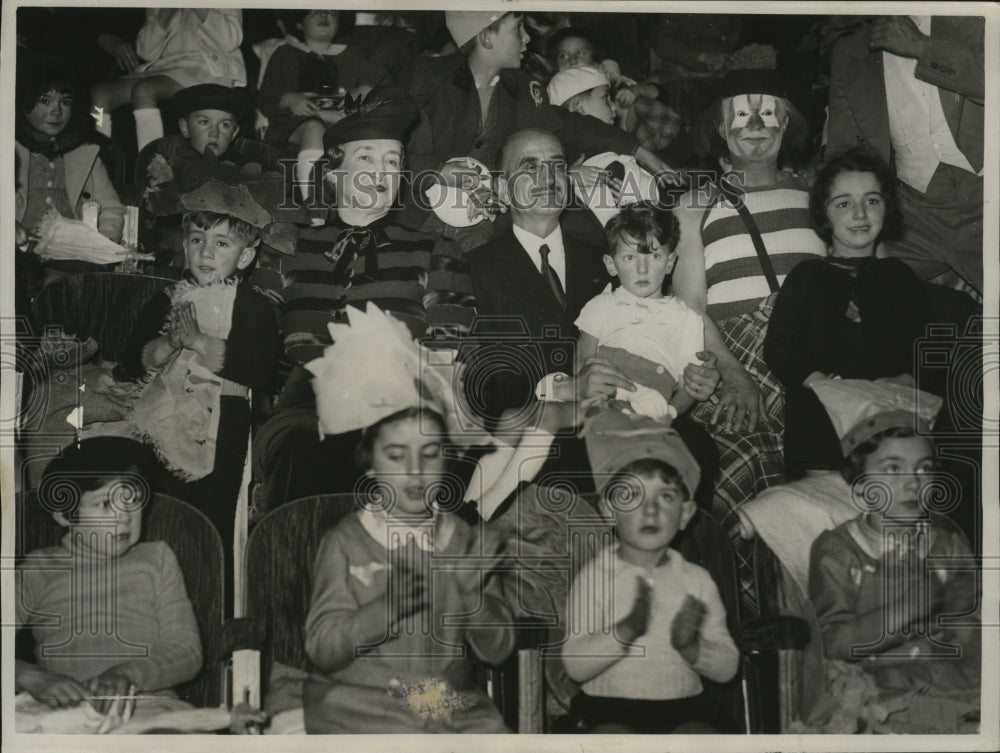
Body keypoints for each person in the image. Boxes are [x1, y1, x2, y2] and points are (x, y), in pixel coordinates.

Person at [255, 91, 477, 513]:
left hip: (402, 403)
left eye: (393, 162)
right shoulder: (288, 247)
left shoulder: (436, 250)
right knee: (306, 441)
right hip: (306, 405)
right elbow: (256, 340)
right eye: (367, 159)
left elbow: (446, 353)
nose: (383, 172)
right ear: (333, 173)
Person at [301, 304, 513, 733]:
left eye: (430, 456)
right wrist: (386, 609)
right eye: (397, 457)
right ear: (370, 464)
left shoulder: (463, 540)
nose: (416, 472)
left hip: (439, 701)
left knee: (489, 733)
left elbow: (498, 649)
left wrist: (472, 598)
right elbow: (322, 648)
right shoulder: (346, 543)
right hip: (363, 700)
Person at [672, 69, 826, 523]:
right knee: (746, 483)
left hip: (815, 365)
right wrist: (736, 376)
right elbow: (689, 308)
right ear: (720, 129)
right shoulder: (694, 205)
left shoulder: (820, 194)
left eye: (768, 112)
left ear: (789, 122)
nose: (756, 124)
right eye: (741, 113)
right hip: (733, 361)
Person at [399, 10, 674, 250]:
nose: (527, 38)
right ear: (486, 38)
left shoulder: (520, 88)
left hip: (488, 231)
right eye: (518, 27)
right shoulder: (427, 78)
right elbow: (381, 140)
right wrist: (435, 171)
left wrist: (638, 151)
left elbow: (567, 124)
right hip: (416, 222)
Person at [119, 183, 278, 571]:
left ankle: (206, 578)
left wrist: (199, 342)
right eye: (196, 239)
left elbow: (258, 370)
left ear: (246, 257)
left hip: (223, 414)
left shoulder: (252, 304)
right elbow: (131, 364)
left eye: (222, 243)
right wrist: (169, 343)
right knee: (157, 503)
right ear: (185, 245)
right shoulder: (168, 297)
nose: (206, 252)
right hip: (161, 411)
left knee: (206, 516)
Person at [807, 378, 980, 733]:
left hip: (949, 679)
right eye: (892, 469)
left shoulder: (945, 538)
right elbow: (831, 644)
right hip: (877, 687)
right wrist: (905, 611)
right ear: (859, 484)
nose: (913, 483)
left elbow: (972, 621)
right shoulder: (837, 550)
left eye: (924, 468)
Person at [562, 410, 739, 733]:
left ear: (685, 514)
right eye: (632, 495)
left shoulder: (696, 582)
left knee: (700, 738)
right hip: (608, 711)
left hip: (685, 710)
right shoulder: (594, 578)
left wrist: (691, 647)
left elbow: (728, 667)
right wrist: (625, 631)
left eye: (666, 496)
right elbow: (575, 666)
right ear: (608, 511)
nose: (651, 509)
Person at [764, 148, 933, 477]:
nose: (859, 214)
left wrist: (906, 379)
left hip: (891, 418)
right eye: (843, 203)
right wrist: (822, 385)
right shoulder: (806, 276)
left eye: (872, 201)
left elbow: (931, 350)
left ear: (886, 208)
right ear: (824, 215)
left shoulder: (900, 277)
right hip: (821, 421)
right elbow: (779, 348)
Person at [15, 438, 202, 730]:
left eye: (133, 500)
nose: (124, 517)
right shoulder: (40, 569)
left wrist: (129, 673)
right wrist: (29, 676)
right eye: (104, 503)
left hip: (149, 706)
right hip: (65, 710)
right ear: (65, 514)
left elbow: (187, 650)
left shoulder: (156, 558)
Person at [574, 202, 721, 507]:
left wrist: (669, 415)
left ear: (669, 263)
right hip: (602, 406)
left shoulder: (686, 319)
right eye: (629, 257)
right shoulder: (600, 307)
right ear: (611, 264)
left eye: (653, 256)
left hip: (653, 412)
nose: (642, 269)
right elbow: (583, 363)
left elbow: (689, 386)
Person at [827, 16, 984, 295]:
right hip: (912, 211)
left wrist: (922, 46)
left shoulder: (974, 16)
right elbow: (845, 153)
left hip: (986, 194)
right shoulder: (850, 50)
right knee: (855, 296)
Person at [132, 84, 289, 260]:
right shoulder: (166, 161)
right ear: (185, 127)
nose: (214, 133)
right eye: (204, 122)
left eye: (225, 125)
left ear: (235, 132)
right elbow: (155, 226)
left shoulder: (244, 168)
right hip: (172, 256)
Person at [256, 9, 386, 206]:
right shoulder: (286, 53)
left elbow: (379, 81)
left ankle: (360, 201)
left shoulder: (350, 54)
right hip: (295, 123)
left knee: (364, 131)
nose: (325, 15)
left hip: (339, 118)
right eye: (316, 12)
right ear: (300, 22)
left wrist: (362, 89)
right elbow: (266, 97)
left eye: (332, 13)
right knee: (314, 127)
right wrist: (289, 99)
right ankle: (314, 202)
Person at [90, 8, 246, 151]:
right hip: (167, 67)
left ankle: (151, 166)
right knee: (100, 94)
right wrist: (165, 16)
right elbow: (146, 52)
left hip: (207, 68)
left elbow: (230, 41)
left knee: (144, 90)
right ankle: (99, 161)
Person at [15, 54, 124, 244]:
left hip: (72, 253)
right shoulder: (10, 151)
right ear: (24, 103)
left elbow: (112, 209)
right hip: (19, 253)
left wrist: (103, 244)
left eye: (65, 102)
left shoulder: (84, 153)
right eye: (45, 101)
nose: (56, 112)